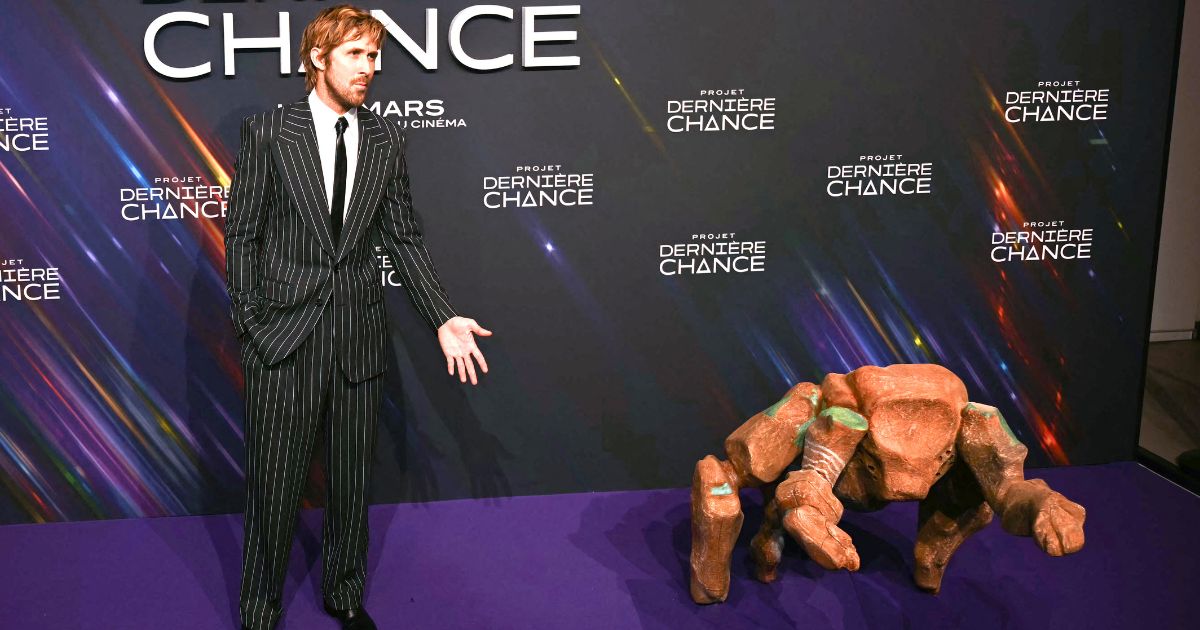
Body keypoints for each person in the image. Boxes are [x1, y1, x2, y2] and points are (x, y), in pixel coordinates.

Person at [223, 5, 491, 629]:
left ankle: (344, 593)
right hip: (283, 337)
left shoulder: (385, 138)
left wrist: (441, 316)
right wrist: (251, 327)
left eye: (374, 56)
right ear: (318, 57)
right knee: (274, 485)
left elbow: (404, 237)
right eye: (355, 54)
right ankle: (259, 608)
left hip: (357, 336)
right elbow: (243, 236)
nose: (369, 67)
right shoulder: (269, 132)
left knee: (350, 481)